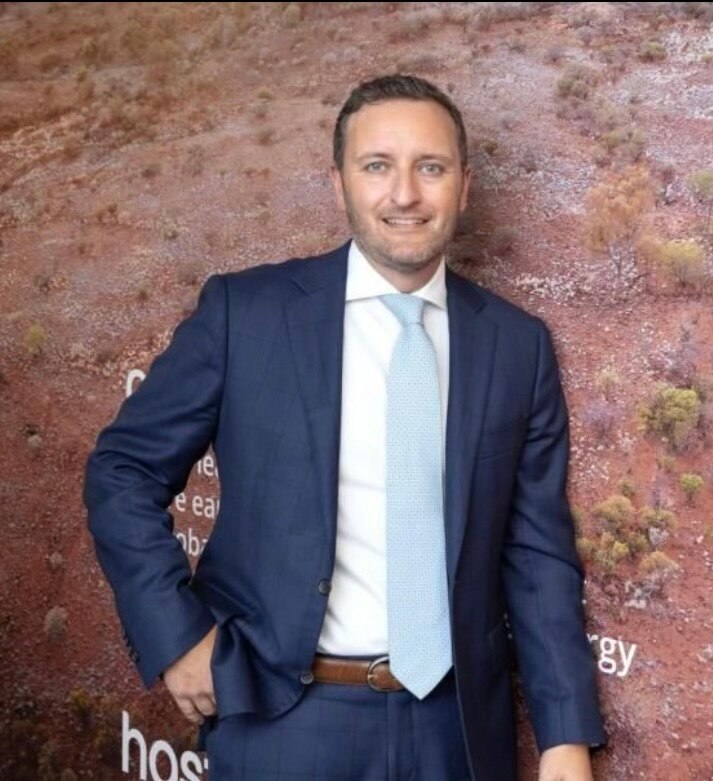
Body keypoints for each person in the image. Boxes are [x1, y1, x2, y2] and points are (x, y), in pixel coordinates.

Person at [84, 73, 605, 780]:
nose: (404, 194)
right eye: (377, 166)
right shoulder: (247, 314)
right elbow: (123, 470)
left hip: (454, 733)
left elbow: (536, 552)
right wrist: (176, 638)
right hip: (283, 721)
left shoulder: (517, 346)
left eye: (430, 167)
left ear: (465, 184)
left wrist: (564, 735)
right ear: (340, 185)